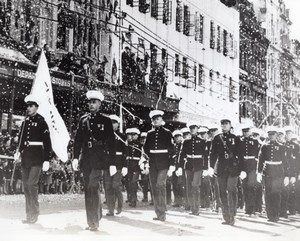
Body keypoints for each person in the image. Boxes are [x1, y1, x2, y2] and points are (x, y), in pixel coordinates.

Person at [72, 90, 116, 231]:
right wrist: (75, 157)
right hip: (86, 159)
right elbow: (78, 140)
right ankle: (92, 219)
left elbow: (111, 143)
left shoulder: (106, 121)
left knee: (92, 186)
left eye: (94, 102)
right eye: (90, 102)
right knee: (88, 190)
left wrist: (113, 162)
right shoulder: (83, 120)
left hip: (99, 159)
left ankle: (95, 221)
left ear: (100, 104)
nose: (91, 104)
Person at [14, 94, 52, 224]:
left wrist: (47, 159)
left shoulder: (42, 122)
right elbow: (21, 140)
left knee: (31, 184)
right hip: (26, 157)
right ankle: (29, 214)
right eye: (28, 106)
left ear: (36, 107)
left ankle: (34, 213)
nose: (28, 108)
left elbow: (47, 142)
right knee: (26, 186)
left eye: (31, 106)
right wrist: (18, 152)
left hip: (37, 157)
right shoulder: (25, 122)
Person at [209, 117, 242, 225]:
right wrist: (211, 167)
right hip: (221, 168)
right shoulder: (217, 138)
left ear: (230, 125)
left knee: (231, 190)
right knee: (222, 192)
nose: (224, 126)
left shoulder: (235, 138)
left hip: (233, 168)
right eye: (222, 124)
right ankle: (226, 217)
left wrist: (241, 169)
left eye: (226, 124)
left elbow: (240, 155)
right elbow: (212, 153)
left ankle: (232, 215)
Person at [143, 110, 174, 221]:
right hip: (153, 164)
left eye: (158, 119)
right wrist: (146, 162)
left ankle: (163, 211)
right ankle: (158, 213)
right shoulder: (150, 134)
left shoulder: (167, 133)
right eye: (154, 119)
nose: (155, 121)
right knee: (154, 188)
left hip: (164, 164)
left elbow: (172, 150)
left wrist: (172, 166)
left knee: (160, 185)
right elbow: (145, 149)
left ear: (162, 120)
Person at [257, 126, 289, 222]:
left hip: (278, 172)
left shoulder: (282, 147)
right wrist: (258, 172)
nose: (271, 136)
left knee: (276, 193)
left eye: (273, 134)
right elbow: (260, 160)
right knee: (267, 193)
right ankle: (270, 215)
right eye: (269, 134)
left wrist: (286, 175)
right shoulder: (264, 146)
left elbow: (285, 162)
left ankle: (275, 215)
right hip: (267, 172)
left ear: (276, 135)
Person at [178, 122, 210, 216]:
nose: (192, 129)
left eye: (194, 127)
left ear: (197, 128)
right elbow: (182, 154)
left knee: (195, 186)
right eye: (191, 128)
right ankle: (192, 207)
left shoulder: (202, 141)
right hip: (188, 165)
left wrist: (205, 168)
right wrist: (180, 167)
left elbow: (205, 155)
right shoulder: (186, 141)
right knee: (189, 187)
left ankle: (196, 209)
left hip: (198, 166)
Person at [104, 115, 127, 216]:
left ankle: (120, 206)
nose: (112, 124)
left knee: (116, 185)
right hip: (107, 164)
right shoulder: (105, 135)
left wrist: (125, 166)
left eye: (114, 122)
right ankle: (110, 209)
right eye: (110, 122)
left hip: (118, 164)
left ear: (118, 124)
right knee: (108, 187)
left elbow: (126, 152)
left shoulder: (122, 136)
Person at [239, 125, 260, 216]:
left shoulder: (255, 141)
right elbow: (239, 155)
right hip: (243, 166)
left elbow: (258, 155)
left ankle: (253, 208)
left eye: (247, 131)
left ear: (250, 131)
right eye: (244, 131)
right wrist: (241, 169)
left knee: (251, 186)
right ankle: (247, 208)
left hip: (252, 166)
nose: (245, 133)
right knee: (245, 187)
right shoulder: (240, 141)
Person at [125, 128, 142, 207]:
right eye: (131, 135)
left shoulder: (140, 145)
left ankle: (133, 200)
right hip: (129, 165)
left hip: (136, 166)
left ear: (137, 136)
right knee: (128, 182)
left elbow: (142, 156)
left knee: (133, 182)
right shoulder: (127, 144)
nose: (133, 136)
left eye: (134, 135)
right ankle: (130, 197)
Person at [172, 130, 184, 207]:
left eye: (179, 136)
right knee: (174, 183)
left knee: (180, 184)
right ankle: (177, 200)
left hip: (181, 166)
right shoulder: (173, 146)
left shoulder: (183, 145)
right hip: (174, 166)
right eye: (176, 137)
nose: (178, 138)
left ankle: (182, 200)